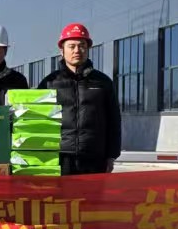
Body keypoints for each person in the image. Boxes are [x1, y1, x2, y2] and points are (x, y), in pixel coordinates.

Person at [40, 22, 121, 176]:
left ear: (88, 49)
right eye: (71, 46)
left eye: (82, 46)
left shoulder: (103, 82)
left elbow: (114, 120)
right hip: (60, 157)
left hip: (94, 157)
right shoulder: (49, 83)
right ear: (62, 50)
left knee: (92, 193)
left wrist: (111, 155)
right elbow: (38, 120)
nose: (77, 50)